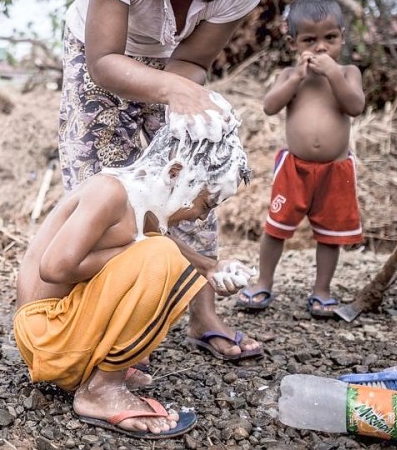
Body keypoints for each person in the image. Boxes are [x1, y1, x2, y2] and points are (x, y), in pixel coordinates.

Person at [58, 0, 264, 360]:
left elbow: (193, 59)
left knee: (191, 176)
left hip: (176, 65)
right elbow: (104, 61)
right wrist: (172, 93)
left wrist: (183, 120)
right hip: (103, 56)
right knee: (104, 184)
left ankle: (202, 311)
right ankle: (87, 314)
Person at [15, 103, 256, 440]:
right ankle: (101, 390)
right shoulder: (109, 192)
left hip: (64, 336)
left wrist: (212, 267)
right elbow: (55, 267)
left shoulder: (141, 205)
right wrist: (138, 251)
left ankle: (102, 372)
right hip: (45, 335)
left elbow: (151, 242)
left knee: (162, 252)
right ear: (175, 173)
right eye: (205, 204)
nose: (202, 218)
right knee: (160, 255)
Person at [237, 0, 366, 317]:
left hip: (336, 170)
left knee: (331, 234)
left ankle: (321, 291)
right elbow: (269, 107)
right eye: (310, 40)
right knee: (276, 227)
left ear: (342, 37)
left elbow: (355, 106)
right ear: (294, 43)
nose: (321, 48)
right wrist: (295, 78)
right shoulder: (289, 77)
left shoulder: (348, 73)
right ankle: (263, 281)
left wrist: (333, 74)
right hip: (294, 168)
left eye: (330, 39)